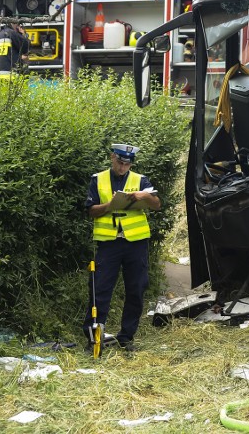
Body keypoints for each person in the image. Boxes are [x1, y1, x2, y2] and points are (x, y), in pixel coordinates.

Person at [83, 143, 161, 353]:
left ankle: (126, 338)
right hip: (109, 244)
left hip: (136, 243)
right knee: (99, 291)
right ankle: (94, 339)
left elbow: (156, 205)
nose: (122, 167)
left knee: (136, 289)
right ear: (112, 157)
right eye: (119, 162)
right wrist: (109, 206)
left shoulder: (141, 180)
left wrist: (145, 196)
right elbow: (90, 210)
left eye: (127, 164)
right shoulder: (97, 179)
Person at [0, 7, 30, 75]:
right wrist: (23, 34)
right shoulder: (10, 33)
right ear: (11, 21)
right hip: (10, 76)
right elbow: (26, 47)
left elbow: (6, 56)